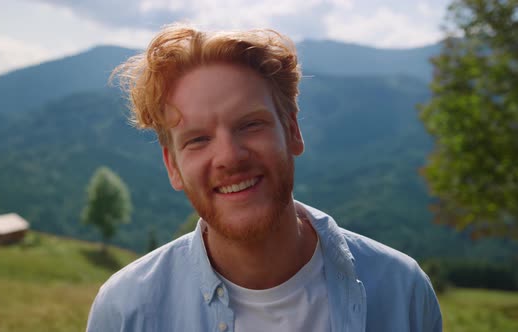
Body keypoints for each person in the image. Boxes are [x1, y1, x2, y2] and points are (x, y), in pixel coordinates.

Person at [86, 23, 442, 332]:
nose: (229, 156)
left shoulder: (402, 290)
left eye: (251, 124)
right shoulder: (125, 311)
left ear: (292, 132)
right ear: (173, 166)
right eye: (198, 139)